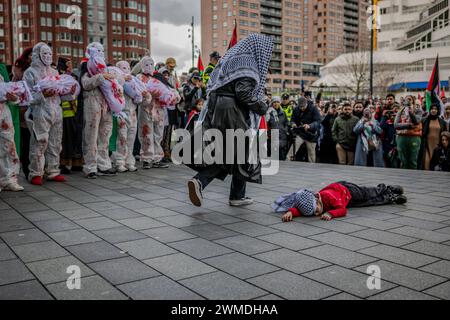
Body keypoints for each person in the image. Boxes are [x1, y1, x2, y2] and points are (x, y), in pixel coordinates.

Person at [186, 34, 272, 208]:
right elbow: (243, 93)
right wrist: (262, 107)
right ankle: (200, 181)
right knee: (237, 151)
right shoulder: (247, 62)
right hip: (232, 110)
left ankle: (237, 195)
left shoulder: (231, 58)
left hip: (217, 108)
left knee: (231, 151)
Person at [23, 42, 68, 185]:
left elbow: (61, 93)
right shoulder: (30, 72)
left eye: (49, 53)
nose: (48, 56)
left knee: (55, 141)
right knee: (39, 141)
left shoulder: (54, 72)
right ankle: (35, 172)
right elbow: (27, 95)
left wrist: (69, 91)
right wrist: (43, 95)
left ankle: (53, 170)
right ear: (37, 55)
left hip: (56, 110)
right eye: (44, 54)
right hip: (40, 111)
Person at [274, 182, 407, 223]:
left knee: (369, 193)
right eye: (314, 212)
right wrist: (291, 212)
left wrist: (331, 214)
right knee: (369, 202)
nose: (317, 213)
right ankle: (391, 198)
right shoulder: (309, 204)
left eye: (317, 209)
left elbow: (342, 210)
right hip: (346, 201)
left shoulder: (328, 196)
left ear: (317, 199)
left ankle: (387, 189)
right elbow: (300, 209)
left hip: (348, 191)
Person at [80, 42, 117, 179]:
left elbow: (116, 82)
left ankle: (104, 164)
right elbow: (85, 84)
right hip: (92, 103)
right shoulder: (86, 66)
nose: (101, 53)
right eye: (98, 51)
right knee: (91, 135)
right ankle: (90, 167)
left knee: (105, 135)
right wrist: (101, 77)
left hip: (105, 104)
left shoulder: (106, 68)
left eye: (102, 50)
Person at [136, 56, 175, 169]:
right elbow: (138, 91)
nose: (149, 67)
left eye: (151, 64)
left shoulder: (158, 76)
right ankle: (147, 159)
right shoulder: (139, 77)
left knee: (158, 134)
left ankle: (157, 158)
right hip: (146, 109)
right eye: (146, 64)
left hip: (159, 109)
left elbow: (168, 89)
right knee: (146, 133)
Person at [111, 60, 141, 173]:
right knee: (121, 138)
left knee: (131, 138)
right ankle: (119, 161)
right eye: (123, 68)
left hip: (132, 113)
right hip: (122, 113)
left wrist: (141, 96)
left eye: (127, 68)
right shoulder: (117, 80)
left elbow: (139, 95)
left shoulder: (133, 80)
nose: (126, 70)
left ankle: (129, 161)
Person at [57, 57, 82, 174]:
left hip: (74, 111)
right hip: (63, 112)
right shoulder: (58, 77)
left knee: (74, 137)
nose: (71, 66)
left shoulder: (74, 77)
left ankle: (76, 163)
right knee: (65, 139)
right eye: (68, 64)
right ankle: (64, 164)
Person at [0, 77, 24, 192]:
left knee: (9, 146)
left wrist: (13, 98)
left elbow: (14, 96)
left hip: (4, 112)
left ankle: (9, 179)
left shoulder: (0, 76)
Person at [12, 48, 33, 180]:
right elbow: (16, 84)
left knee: (33, 139)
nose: (32, 57)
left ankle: (33, 166)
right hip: (23, 107)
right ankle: (26, 167)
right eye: (30, 54)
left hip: (34, 106)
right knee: (26, 138)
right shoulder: (20, 67)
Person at [289, 96, 321, 163]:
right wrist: (293, 124)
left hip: (311, 135)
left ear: (307, 103)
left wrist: (310, 126)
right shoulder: (296, 109)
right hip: (300, 133)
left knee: (311, 154)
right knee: (292, 150)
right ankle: (287, 161)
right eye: (300, 107)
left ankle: (312, 168)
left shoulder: (314, 109)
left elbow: (318, 122)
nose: (302, 108)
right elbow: (292, 119)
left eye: (303, 106)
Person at [394, 96, 423, 170]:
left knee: (412, 160)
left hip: (414, 138)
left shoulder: (418, 110)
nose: (407, 101)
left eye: (409, 99)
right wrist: (407, 125)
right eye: (406, 99)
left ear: (413, 101)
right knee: (403, 160)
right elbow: (396, 125)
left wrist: (410, 111)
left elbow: (416, 121)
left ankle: (413, 178)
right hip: (401, 137)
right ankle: (404, 178)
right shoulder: (400, 111)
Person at [418, 104, 448, 170]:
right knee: (426, 165)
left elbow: (445, 134)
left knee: (435, 165)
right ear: (430, 110)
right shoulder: (424, 120)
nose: (433, 110)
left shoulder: (442, 122)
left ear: (438, 110)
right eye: (432, 109)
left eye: (435, 109)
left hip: (438, 147)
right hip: (426, 146)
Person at [266, 96, 289, 160]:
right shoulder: (268, 113)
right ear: (272, 103)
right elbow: (266, 125)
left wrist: (285, 130)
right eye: (274, 102)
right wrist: (268, 134)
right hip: (272, 138)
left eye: (277, 102)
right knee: (273, 160)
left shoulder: (283, 112)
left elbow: (287, 123)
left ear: (280, 103)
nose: (276, 104)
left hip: (282, 138)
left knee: (282, 159)